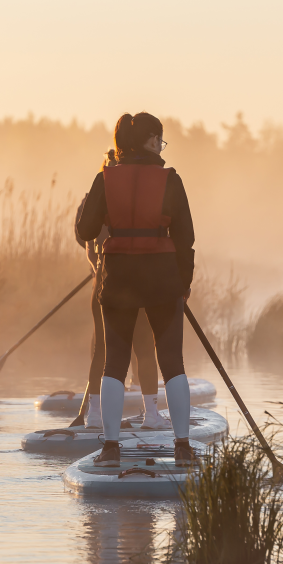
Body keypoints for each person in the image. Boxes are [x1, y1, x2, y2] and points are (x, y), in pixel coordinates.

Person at [75, 111, 196, 465]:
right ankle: (183, 448)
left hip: (119, 279)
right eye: (159, 138)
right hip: (162, 279)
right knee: (173, 361)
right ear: (149, 141)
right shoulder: (170, 180)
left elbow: (85, 230)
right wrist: (183, 284)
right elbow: (186, 238)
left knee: (115, 361)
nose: (161, 145)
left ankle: (111, 449)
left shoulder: (104, 178)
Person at [77, 167, 171, 431]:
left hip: (104, 283)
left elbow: (86, 239)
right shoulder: (137, 195)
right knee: (143, 348)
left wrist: (97, 268)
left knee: (104, 350)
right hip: (134, 282)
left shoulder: (98, 193)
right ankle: (150, 415)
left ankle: (96, 415)